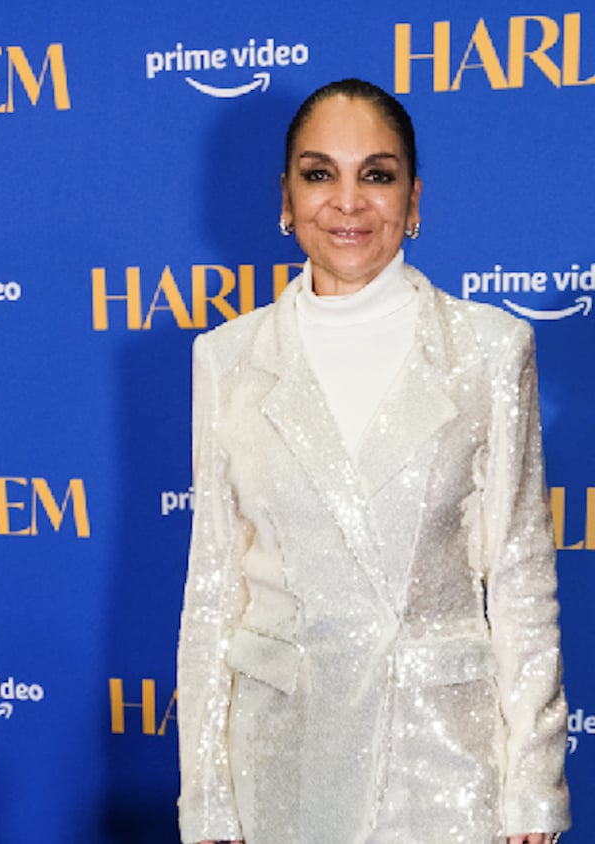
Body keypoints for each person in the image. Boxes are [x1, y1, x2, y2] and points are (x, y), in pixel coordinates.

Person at [177, 78, 568, 844]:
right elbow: (213, 589)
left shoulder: (489, 350)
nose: (348, 202)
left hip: (442, 765)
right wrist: (208, 799)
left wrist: (533, 787)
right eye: (319, 174)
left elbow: (521, 577)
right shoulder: (227, 359)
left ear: (413, 199)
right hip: (280, 764)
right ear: (286, 197)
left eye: (377, 175)